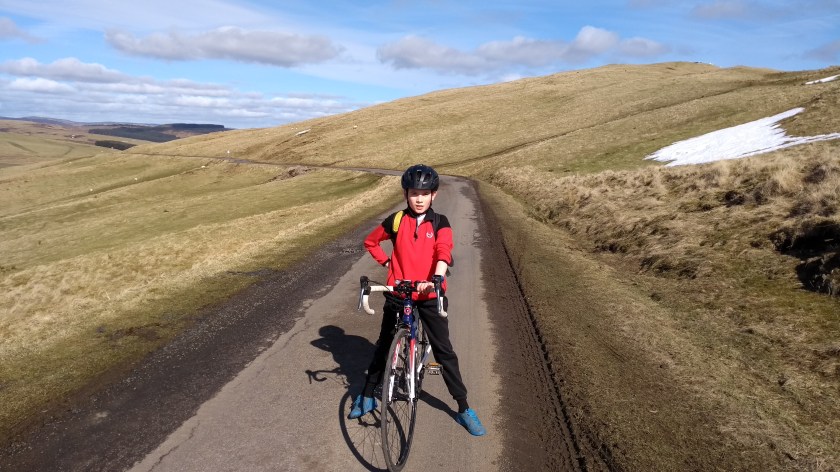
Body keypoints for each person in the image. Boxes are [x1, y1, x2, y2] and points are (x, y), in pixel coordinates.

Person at [349, 164, 486, 437]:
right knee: (384, 345)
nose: (419, 199)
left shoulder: (440, 222)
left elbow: (444, 251)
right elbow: (371, 242)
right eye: (414, 193)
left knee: (444, 352)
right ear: (406, 194)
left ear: (434, 195)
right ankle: (367, 395)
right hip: (399, 294)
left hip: (429, 294)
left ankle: (463, 408)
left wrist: (436, 278)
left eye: (424, 193)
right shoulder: (397, 220)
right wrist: (388, 263)